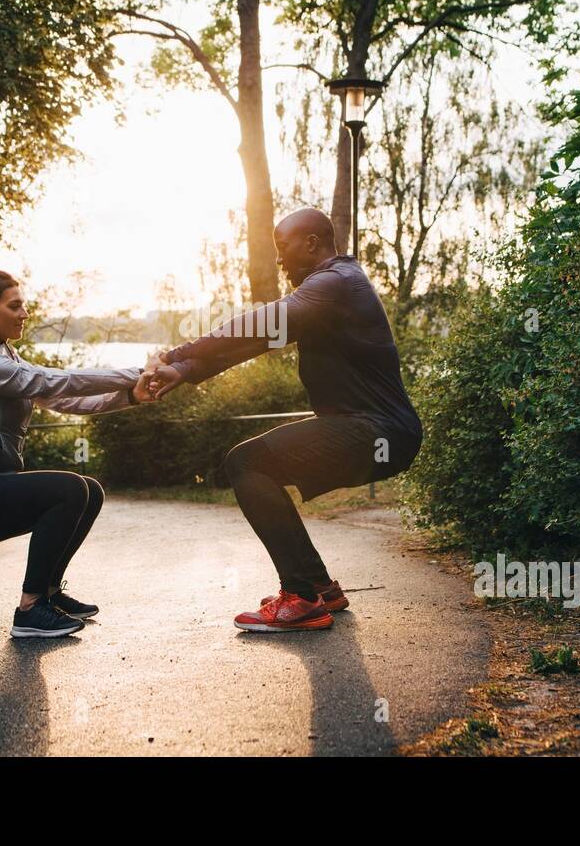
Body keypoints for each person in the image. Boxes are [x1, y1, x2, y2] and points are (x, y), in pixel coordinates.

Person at [149, 209, 423, 632]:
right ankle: (317, 586)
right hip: (377, 430)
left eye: (283, 248)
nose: (280, 260)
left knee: (247, 462)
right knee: (256, 463)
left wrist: (176, 353)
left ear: (312, 243)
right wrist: (186, 371)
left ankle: (301, 594)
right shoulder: (332, 287)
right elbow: (261, 339)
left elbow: (261, 320)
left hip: (378, 430)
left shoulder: (336, 282)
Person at [0, 265, 157, 639]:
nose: (24, 313)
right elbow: (58, 379)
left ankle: (48, 594)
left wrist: (131, 396)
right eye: (14, 306)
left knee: (89, 490)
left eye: (24, 305)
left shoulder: (6, 357)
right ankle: (30, 609)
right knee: (68, 489)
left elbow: (63, 398)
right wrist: (136, 371)